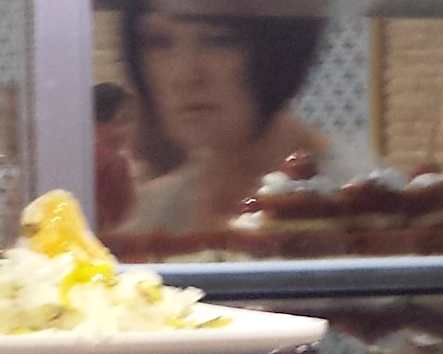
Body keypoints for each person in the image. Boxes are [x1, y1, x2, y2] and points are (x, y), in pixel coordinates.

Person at [117, 0, 357, 234]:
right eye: (158, 42)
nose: (184, 75)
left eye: (219, 40)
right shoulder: (154, 215)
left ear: (279, 49)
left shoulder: (355, 201)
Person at [93, 81, 139, 228]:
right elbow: (124, 223)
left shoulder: (77, 157)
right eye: (124, 120)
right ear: (99, 124)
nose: (130, 129)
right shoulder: (114, 164)